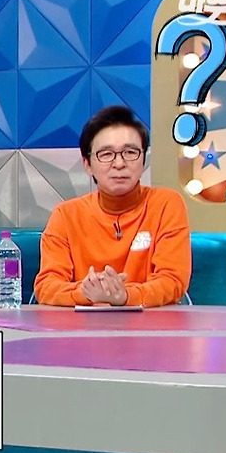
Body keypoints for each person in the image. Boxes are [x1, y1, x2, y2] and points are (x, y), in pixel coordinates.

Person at [33, 105, 191, 307]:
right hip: (81, 326)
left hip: (150, 324)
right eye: (106, 154)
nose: (119, 164)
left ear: (143, 160)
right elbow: (46, 286)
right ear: (87, 164)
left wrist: (124, 296)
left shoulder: (166, 204)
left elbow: (172, 281)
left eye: (130, 152)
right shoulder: (66, 215)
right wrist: (91, 292)